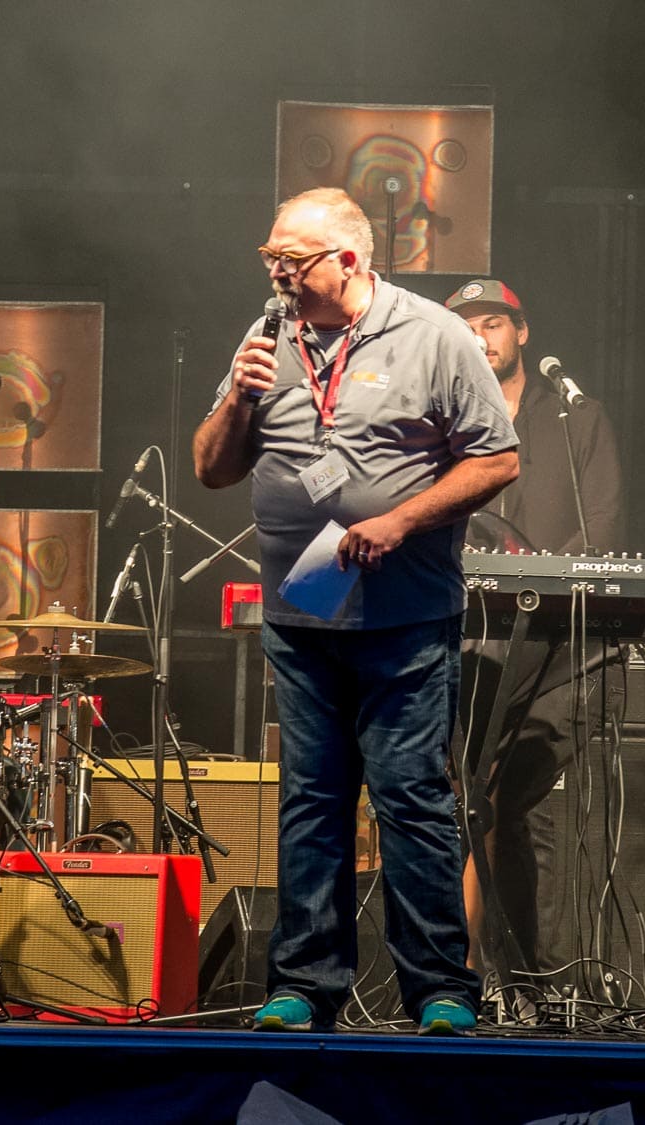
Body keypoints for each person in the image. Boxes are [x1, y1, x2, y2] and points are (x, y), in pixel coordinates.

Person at [194, 187, 519, 1035]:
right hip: (301, 616)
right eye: (268, 258)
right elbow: (211, 468)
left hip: (404, 616)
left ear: (347, 260)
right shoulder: (267, 337)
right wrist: (238, 397)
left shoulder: (435, 336)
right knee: (312, 801)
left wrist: (401, 519)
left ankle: (440, 989)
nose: (276, 273)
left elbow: (497, 459)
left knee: (411, 800)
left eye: (290, 260)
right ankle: (304, 986)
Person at [445, 278, 623, 979]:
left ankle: (528, 973)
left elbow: (602, 522)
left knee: (514, 801)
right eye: (466, 328)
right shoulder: (445, 420)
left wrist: (547, 580)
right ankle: (467, 971)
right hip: (472, 639)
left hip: (557, 648)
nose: (480, 338)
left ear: (521, 332)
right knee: (469, 798)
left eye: (492, 323)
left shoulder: (577, 417)